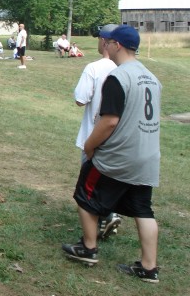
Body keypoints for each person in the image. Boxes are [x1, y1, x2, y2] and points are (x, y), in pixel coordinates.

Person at [62, 25, 162, 284]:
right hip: (147, 156)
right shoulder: (152, 78)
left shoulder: (118, 78)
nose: (105, 45)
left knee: (85, 196)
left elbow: (109, 122)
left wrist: (89, 145)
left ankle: (88, 248)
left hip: (119, 156)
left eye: (109, 42)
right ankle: (149, 268)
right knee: (143, 209)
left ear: (116, 45)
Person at [73, 24, 122, 240]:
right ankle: (108, 215)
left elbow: (80, 99)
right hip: (119, 138)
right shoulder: (127, 68)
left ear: (104, 42)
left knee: (88, 184)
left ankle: (99, 226)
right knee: (109, 178)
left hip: (94, 133)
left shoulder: (93, 68)